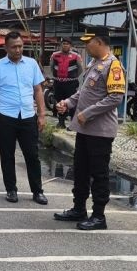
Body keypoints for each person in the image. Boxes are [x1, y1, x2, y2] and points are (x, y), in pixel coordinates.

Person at [54, 28, 125, 231]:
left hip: (100, 132)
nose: (86, 45)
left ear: (100, 42)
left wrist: (88, 113)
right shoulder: (95, 64)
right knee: (81, 170)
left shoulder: (113, 66)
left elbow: (115, 98)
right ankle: (79, 208)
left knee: (99, 174)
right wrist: (67, 103)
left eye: (89, 41)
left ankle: (98, 216)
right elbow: (82, 92)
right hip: (85, 130)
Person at [0, 31, 48, 206]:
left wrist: (42, 114)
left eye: (20, 46)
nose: (18, 50)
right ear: (6, 47)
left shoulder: (32, 64)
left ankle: (37, 191)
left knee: (32, 155)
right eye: (14, 47)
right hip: (6, 116)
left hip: (28, 115)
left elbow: (38, 90)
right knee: (7, 154)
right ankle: (11, 190)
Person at [50, 38, 84, 128]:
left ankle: (73, 124)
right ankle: (61, 122)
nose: (65, 45)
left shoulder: (76, 56)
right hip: (58, 83)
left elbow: (80, 69)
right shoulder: (55, 55)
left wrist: (73, 77)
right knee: (59, 102)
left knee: (72, 102)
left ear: (71, 46)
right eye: (64, 43)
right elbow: (51, 67)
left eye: (67, 44)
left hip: (71, 84)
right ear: (61, 45)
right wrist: (56, 77)